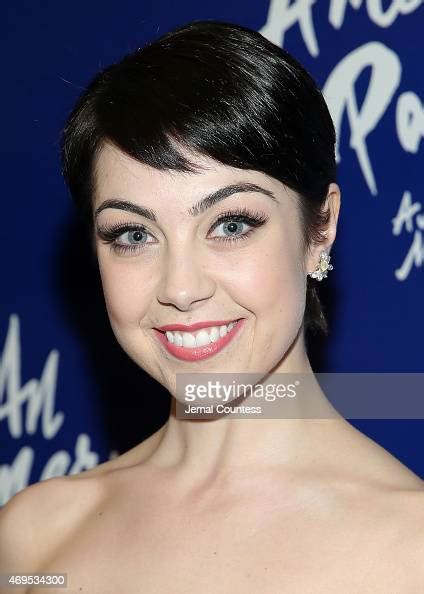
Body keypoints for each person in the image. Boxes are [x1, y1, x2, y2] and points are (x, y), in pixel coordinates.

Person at [1, 20, 423, 593]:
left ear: (319, 230)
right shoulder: (36, 537)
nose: (179, 286)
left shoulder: (410, 548)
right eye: (132, 234)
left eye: (230, 224)